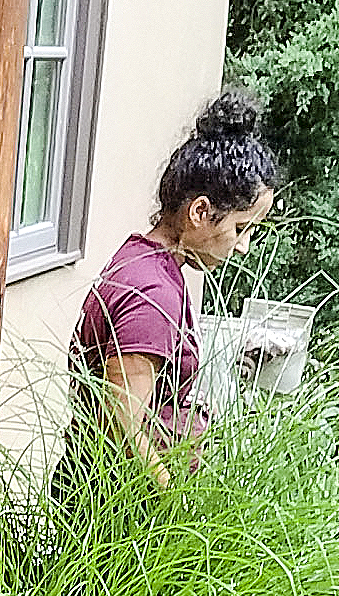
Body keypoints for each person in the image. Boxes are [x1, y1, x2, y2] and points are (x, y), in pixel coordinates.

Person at [63, 89, 280, 493]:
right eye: (240, 228)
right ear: (199, 212)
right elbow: (119, 427)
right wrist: (174, 502)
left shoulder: (141, 257)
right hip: (119, 516)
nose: (243, 245)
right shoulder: (153, 294)